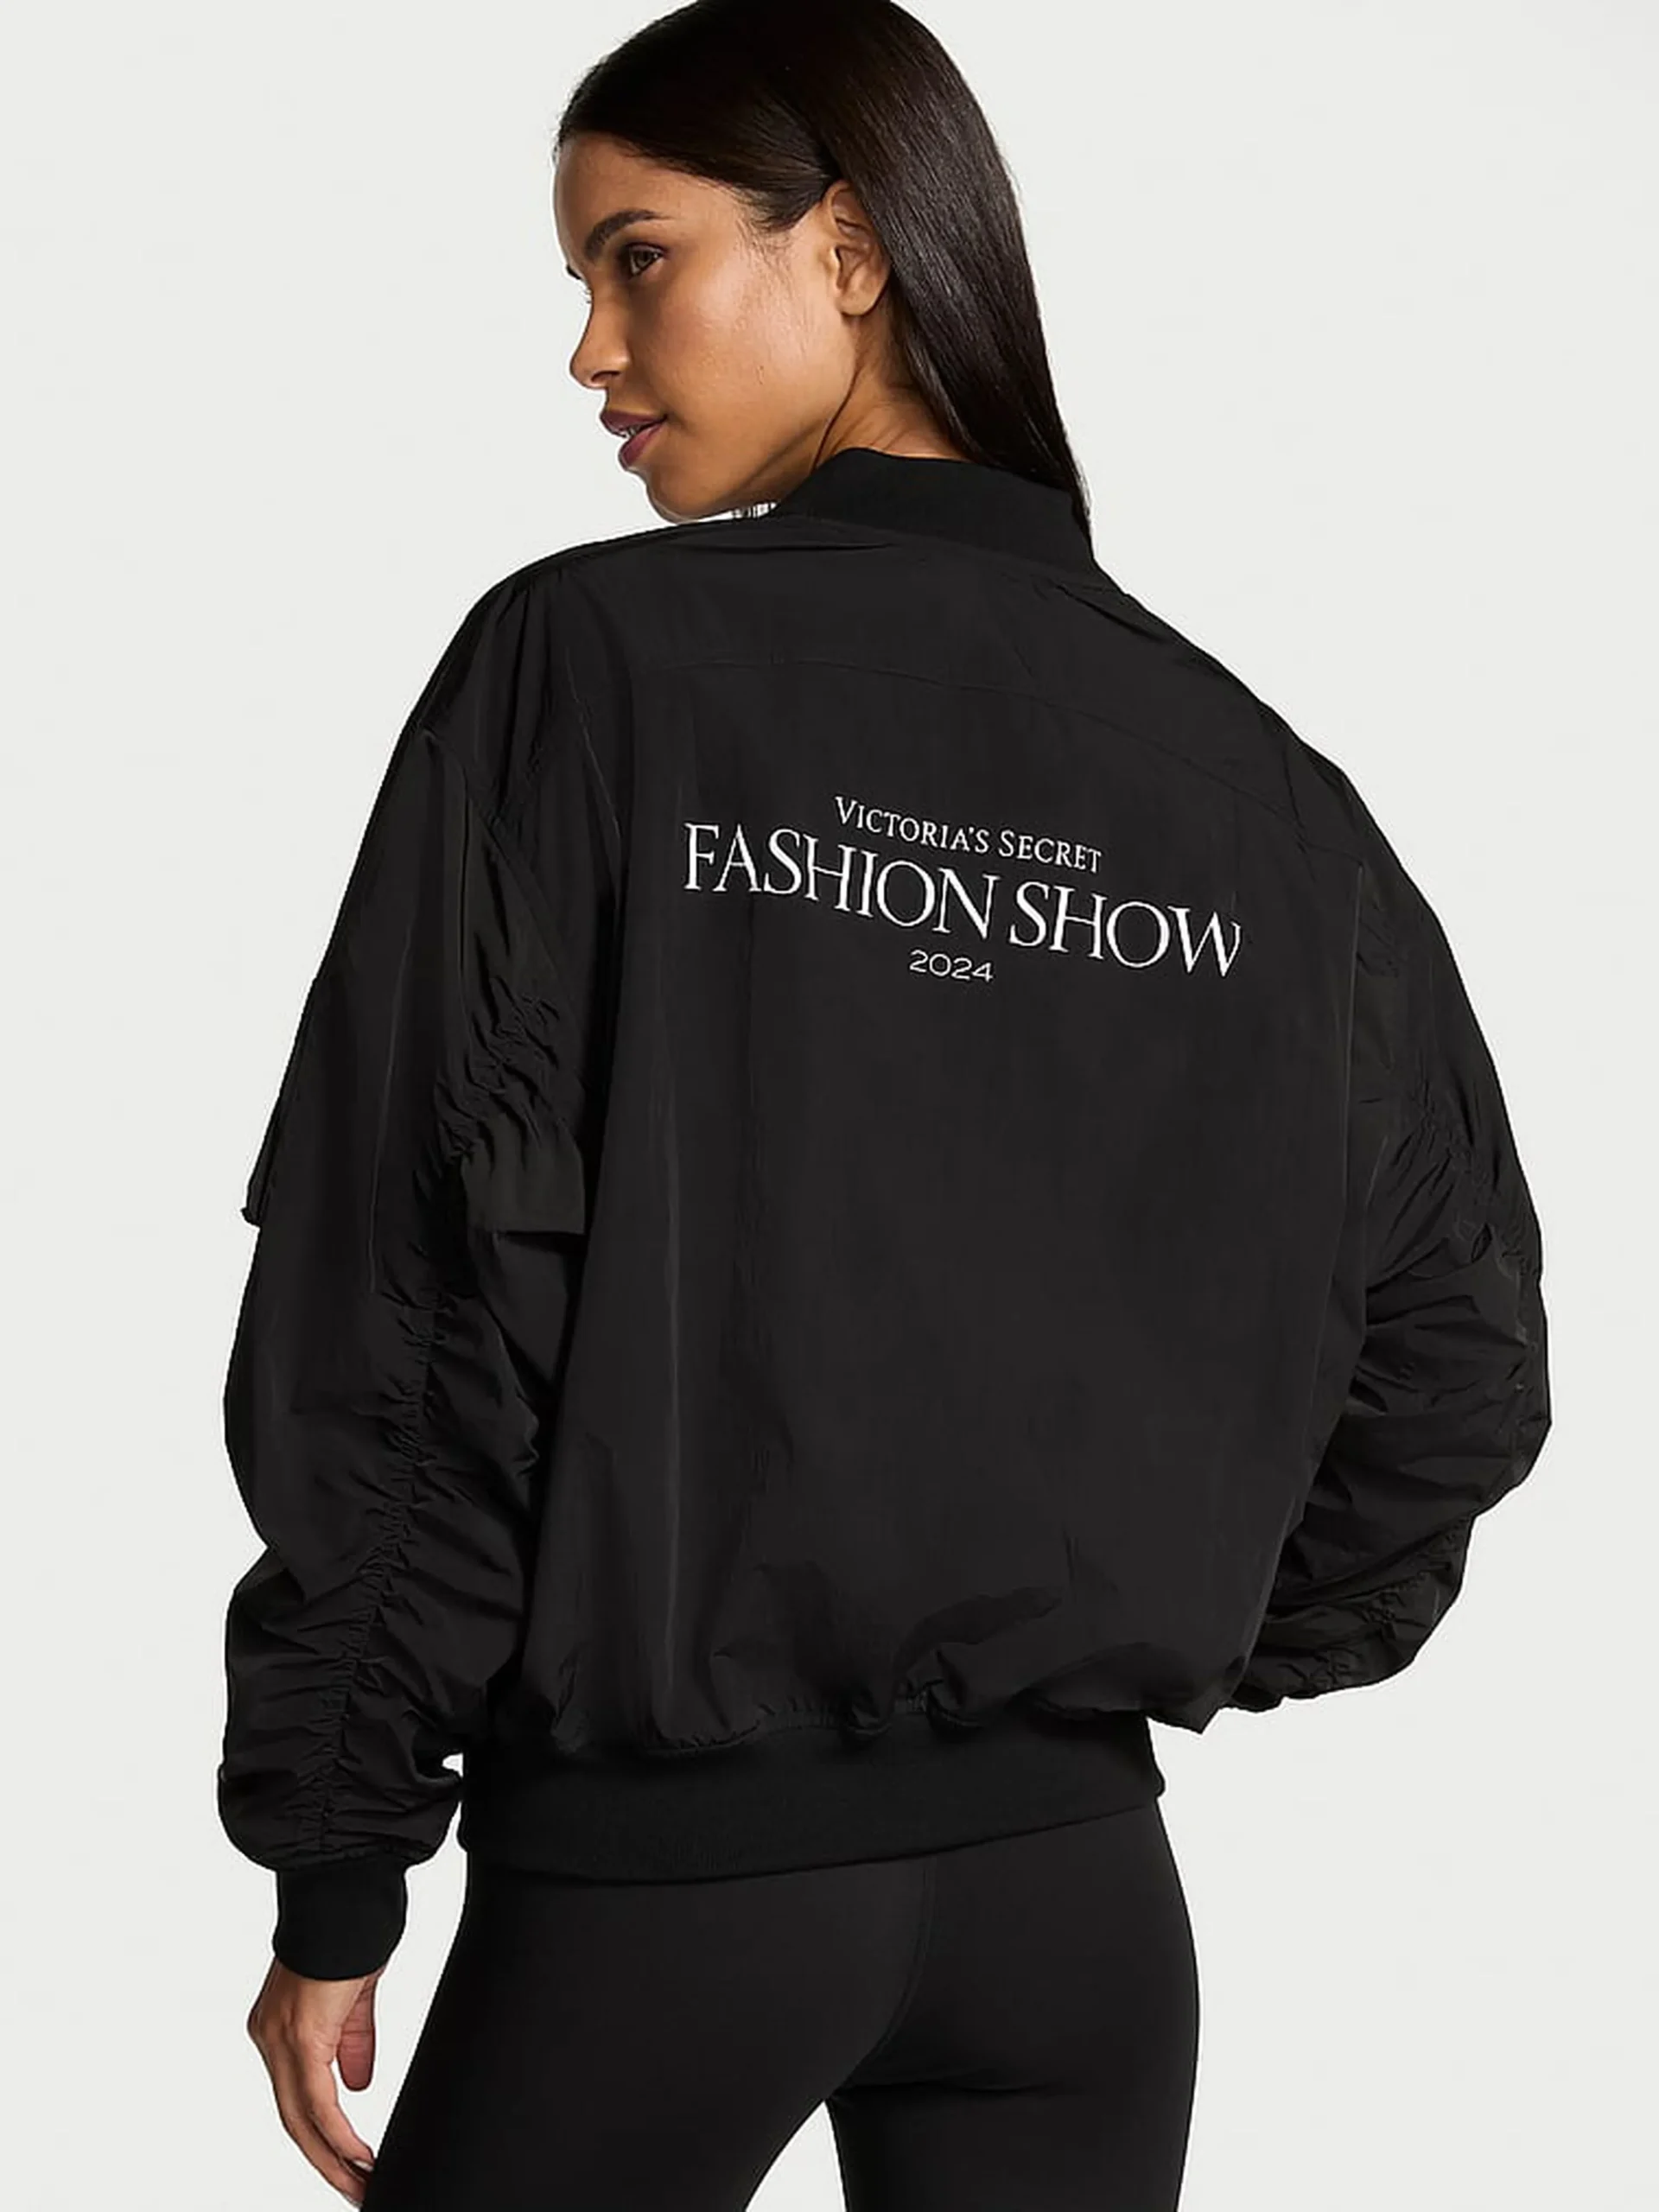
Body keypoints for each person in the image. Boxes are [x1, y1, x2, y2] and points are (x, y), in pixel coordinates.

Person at [217, 3, 1552, 2208]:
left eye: (637, 258)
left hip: (666, 1894)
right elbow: (1458, 1354)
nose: (589, 348)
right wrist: (1127, 1632)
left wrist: (340, 1845)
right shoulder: (1265, 800)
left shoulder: (592, 668)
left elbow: (413, 1298)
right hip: (1078, 1914)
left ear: (848, 248)